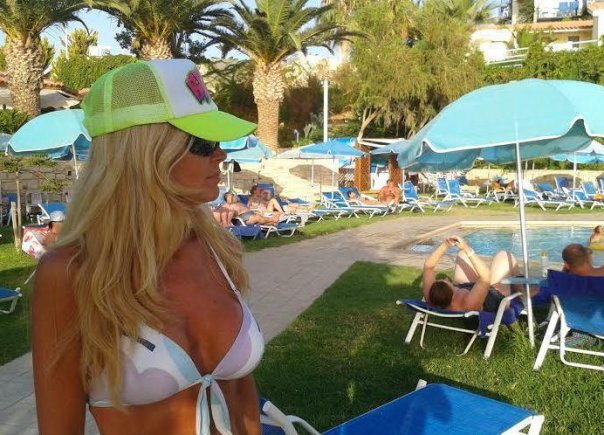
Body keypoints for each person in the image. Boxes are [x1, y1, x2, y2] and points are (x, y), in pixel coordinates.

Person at [32, 59, 264, 435]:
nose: (221, 155)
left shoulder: (218, 248)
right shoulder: (71, 273)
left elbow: (240, 394)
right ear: (148, 152)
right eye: (204, 143)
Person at [423, 235, 519, 312]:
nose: (446, 279)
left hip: (469, 290)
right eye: (446, 282)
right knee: (504, 256)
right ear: (451, 293)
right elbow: (486, 277)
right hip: (495, 297)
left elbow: (428, 266)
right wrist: (466, 248)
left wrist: (445, 245)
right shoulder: (467, 304)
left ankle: (521, 288)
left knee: (462, 255)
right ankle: (523, 294)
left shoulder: (431, 298)